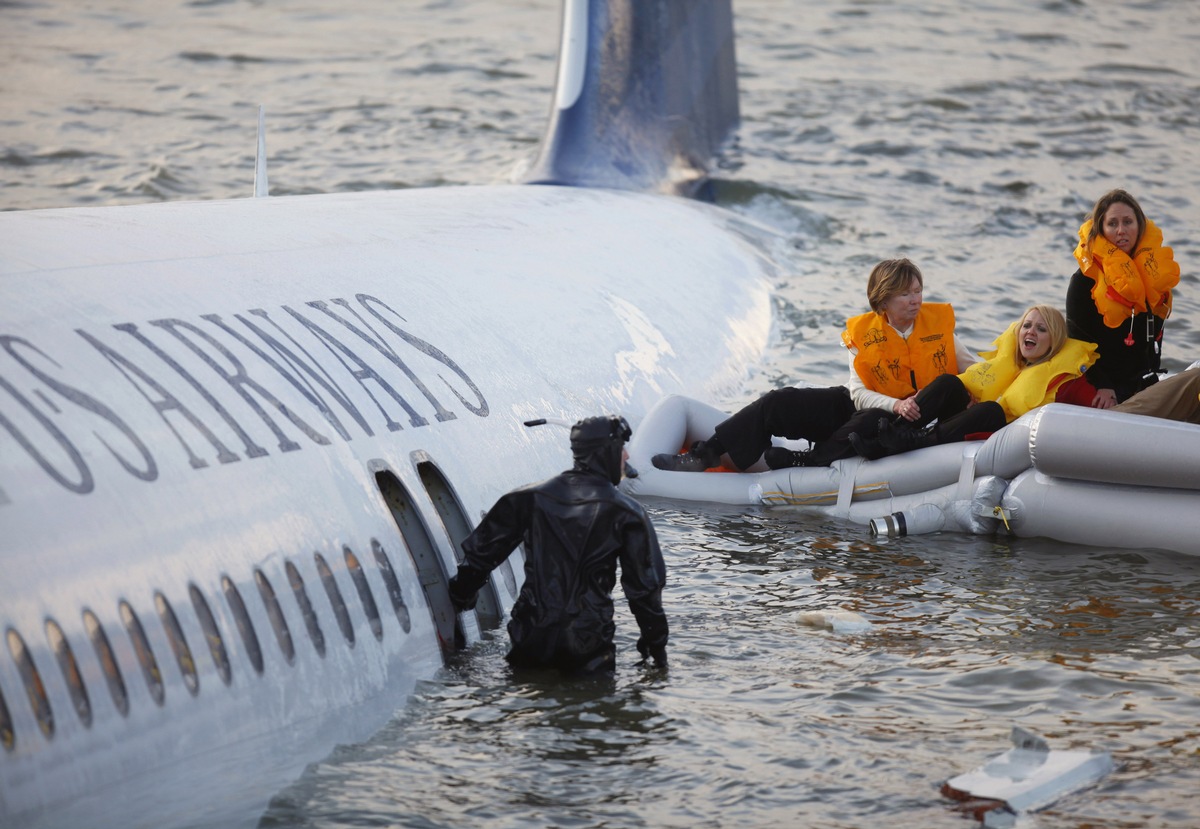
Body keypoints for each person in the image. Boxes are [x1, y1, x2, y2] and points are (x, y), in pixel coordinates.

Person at [651, 258, 977, 471]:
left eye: (918, 291)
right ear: (882, 301)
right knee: (781, 400)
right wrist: (896, 403)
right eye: (906, 294)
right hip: (872, 404)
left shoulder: (939, 328)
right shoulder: (864, 334)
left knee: (870, 422)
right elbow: (859, 393)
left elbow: (974, 369)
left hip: (898, 423)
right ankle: (706, 453)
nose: (916, 300)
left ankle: (806, 460)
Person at [447, 415, 668, 674]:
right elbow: (644, 591)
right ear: (606, 453)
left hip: (530, 636)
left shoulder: (526, 497)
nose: (627, 457)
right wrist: (656, 647)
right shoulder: (628, 513)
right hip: (588, 642)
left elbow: (479, 559)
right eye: (621, 448)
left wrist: (462, 595)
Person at [847, 305, 1097, 459]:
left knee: (990, 409)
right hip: (964, 420)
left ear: (1054, 341)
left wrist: (1108, 393)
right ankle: (889, 436)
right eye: (1027, 326)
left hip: (999, 433)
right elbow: (977, 376)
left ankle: (914, 441)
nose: (1030, 332)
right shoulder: (1011, 363)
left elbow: (1099, 413)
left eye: (1041, 329)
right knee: (949, 382)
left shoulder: (1066, 380)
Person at [1066, 189, 1180, 408]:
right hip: (1102, 389)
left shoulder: (1153, 281)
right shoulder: (1083, 281)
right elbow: (1076, 340)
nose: (1121, 231)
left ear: (1140, 227)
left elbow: (1154, 344)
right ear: (1101, 229)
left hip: (1141, 386)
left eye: (1128, 222)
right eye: (1112, 224)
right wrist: (1103, 385)